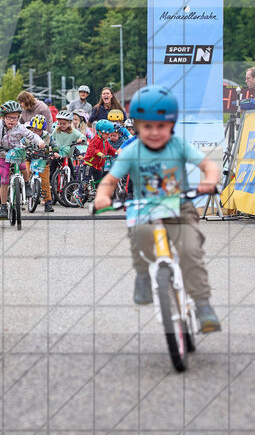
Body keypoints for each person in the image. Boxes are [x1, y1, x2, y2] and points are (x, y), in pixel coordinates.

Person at [93, 85, 221, 331]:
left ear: (171, 125)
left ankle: (204, 305)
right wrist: (102, 196)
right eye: (147, 126)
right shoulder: (132, 150)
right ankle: (143, 274)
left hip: (179, 205)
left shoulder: (178, 145)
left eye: (160, 126)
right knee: (139, 234)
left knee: (191, 251)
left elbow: (208, 166)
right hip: (146, 207)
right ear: (137, 126)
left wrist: (209, 181)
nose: (154, 132)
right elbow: (110, 180)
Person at [0, 100, 45, 221]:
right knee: (4, 180)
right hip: (3, 155)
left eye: (15, 118)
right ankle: (4, 207)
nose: (12, 120)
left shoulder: (20, 127)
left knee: (23, 167)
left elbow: (32, 136)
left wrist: (40, 142)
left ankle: (26, 184)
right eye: (9, 117)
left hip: (17, 152)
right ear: (3, 117)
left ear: (18, 118)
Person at [26, 113, 54, 211]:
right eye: (34, 129)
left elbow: (53, 144)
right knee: (26, 173)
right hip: (30, 159)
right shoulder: (28, 136)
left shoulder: (48, 136)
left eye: (38, 130)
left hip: (43, 161)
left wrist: (54, 150)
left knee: (45, 182)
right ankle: (22, 192)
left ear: (43, 130)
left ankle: (48, 203)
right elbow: (21, 142)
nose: (36, 132)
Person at [82, 119, 119, 184]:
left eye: (109, 135)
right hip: (89, 164)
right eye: (107, 134)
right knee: (85, 181)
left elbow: (110, 149)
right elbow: (92, 149)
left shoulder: (105, 141)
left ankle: (97, 193)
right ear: (100, 132)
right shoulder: (95, 140)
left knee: (99, 183)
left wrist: (116, 153)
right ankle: (80, 193)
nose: (108, 136)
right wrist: (99, 153)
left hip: (98, 166)